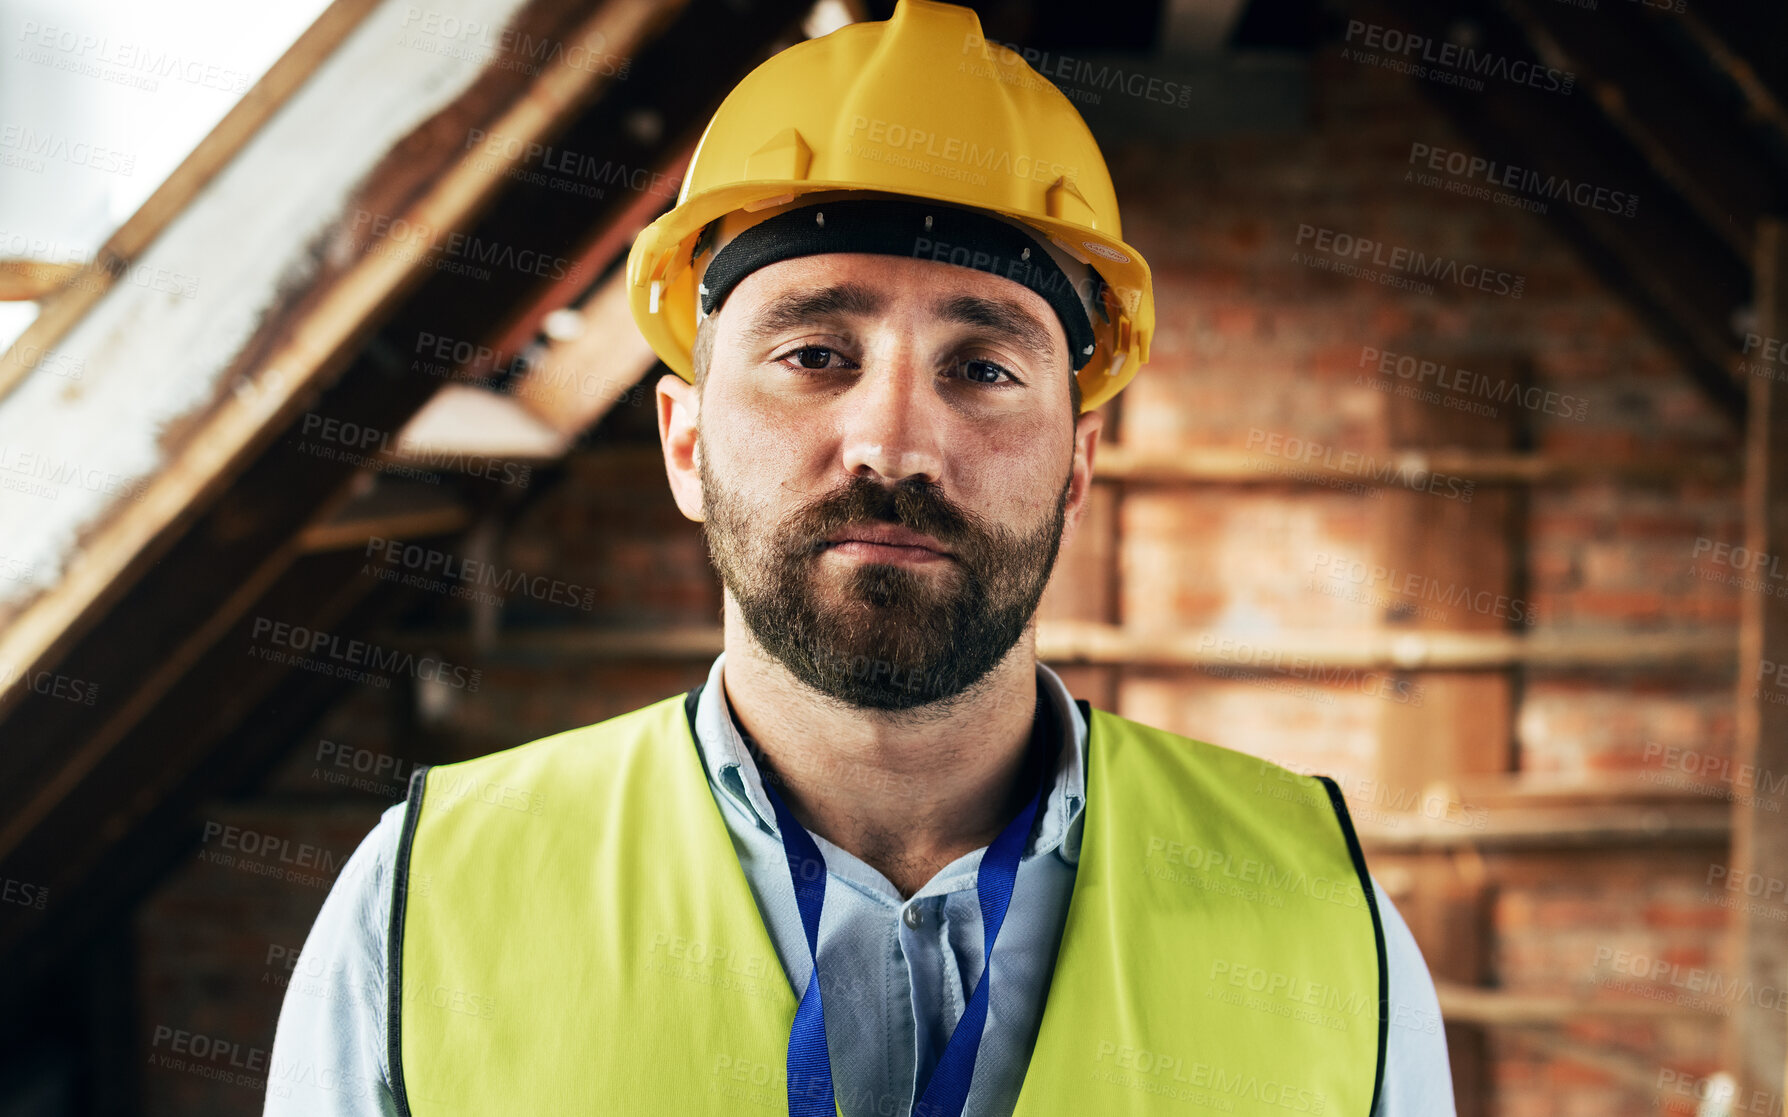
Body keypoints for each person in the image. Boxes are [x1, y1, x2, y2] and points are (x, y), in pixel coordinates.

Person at [266, 2, 1457, 1114]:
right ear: (687, 444)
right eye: (815, 354)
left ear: (1078, 467)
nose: (894, 442)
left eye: (983, 369)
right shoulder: (417, 911)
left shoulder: (1327, 923)